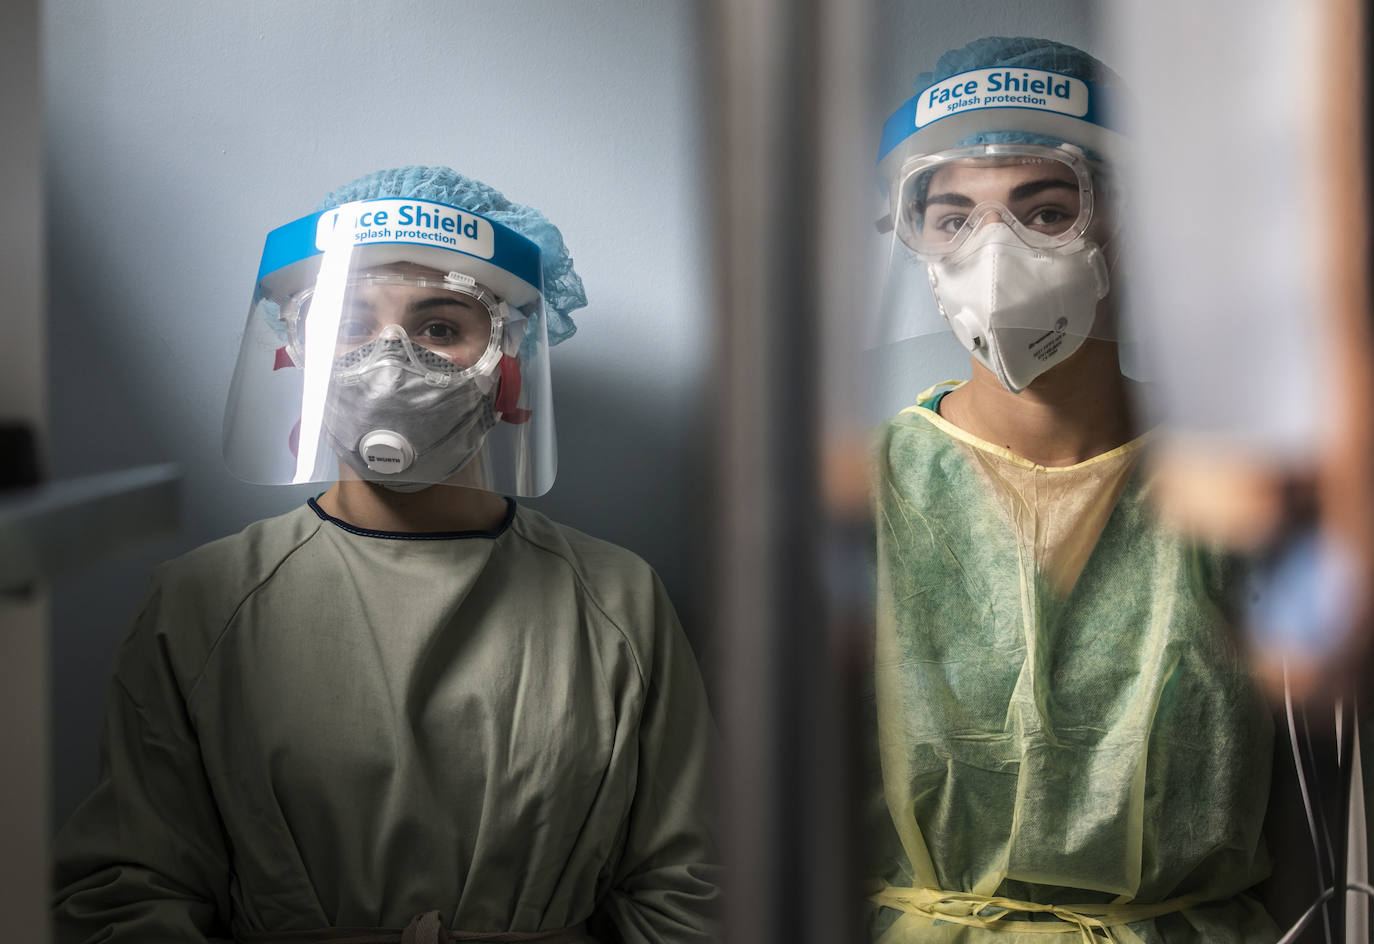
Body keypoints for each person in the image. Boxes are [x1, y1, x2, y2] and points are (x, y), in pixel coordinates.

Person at [52, 166, 720, 944]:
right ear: (295, 350)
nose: (390, 360)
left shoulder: (616, 599)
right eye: (349, 324)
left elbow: (690, 889)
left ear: (505, 357)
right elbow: (130, 892)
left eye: (441, 327)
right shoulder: (201, 601)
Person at [865, 39, 1278, 942]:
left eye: (1047, 211)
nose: (994, 253)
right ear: (916, 238)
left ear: (1136, 226)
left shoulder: (1235, 485)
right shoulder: (868, 492)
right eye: (953, 219)